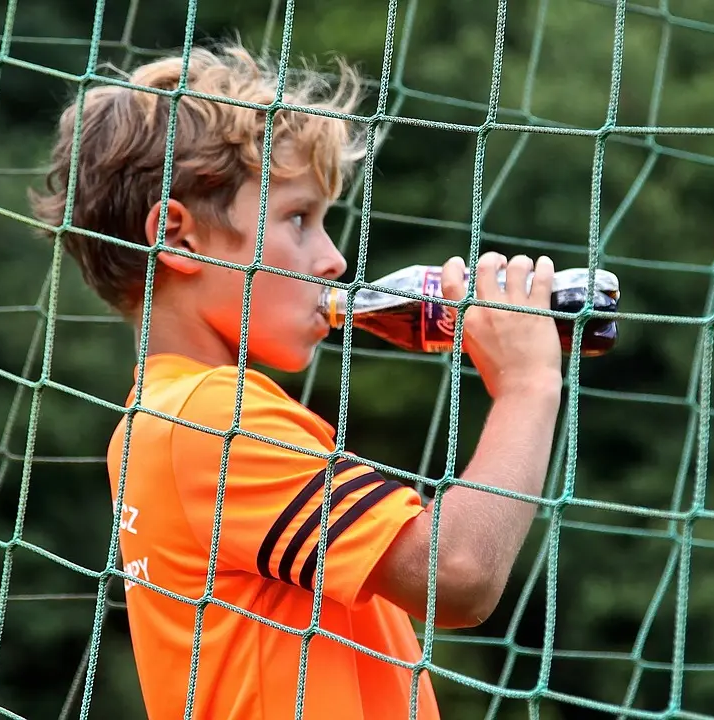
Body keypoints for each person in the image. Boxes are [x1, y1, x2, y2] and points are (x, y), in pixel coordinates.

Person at [29, 43, 565, 720]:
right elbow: (455, 575)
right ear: (178, 236)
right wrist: (529, 383)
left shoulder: (156, 419)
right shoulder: (213, 419)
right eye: (298, 219)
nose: (334, 260)